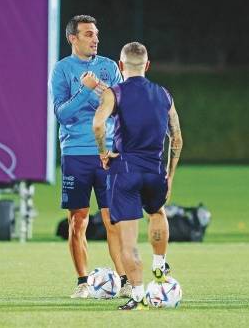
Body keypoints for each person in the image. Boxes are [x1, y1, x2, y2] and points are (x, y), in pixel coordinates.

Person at [92, 42, 183, 310]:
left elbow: (98, 124)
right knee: (157, 213)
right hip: (155, 170)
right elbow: (176, 138)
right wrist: (170, 175)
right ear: (148, 65)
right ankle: (159, 265)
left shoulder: (115, 93)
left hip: (126, 171)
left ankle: (138, 295)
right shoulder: (164, 94)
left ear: (121, 66)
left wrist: (103, 152)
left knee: (128, 239)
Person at [49, 15, 130, 298]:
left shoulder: (109, 67)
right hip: (75, 154)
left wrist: (100, 91)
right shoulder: (61, 70)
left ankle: (125, 280)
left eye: (96, 34)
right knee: (78, 220)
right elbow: (61, 114)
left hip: (107, 152)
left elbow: (121, 107)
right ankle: (83, 282)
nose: (95, 39)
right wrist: (85, 90)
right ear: (72, 38)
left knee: (113, 220)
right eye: (87, 34)